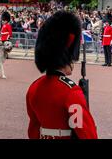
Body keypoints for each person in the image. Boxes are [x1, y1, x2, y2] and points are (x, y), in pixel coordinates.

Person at [26, 11, 98, 139]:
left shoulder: (34, 88)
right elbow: (87, 133)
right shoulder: (71, 91)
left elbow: (33, 129)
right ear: (66, 57)